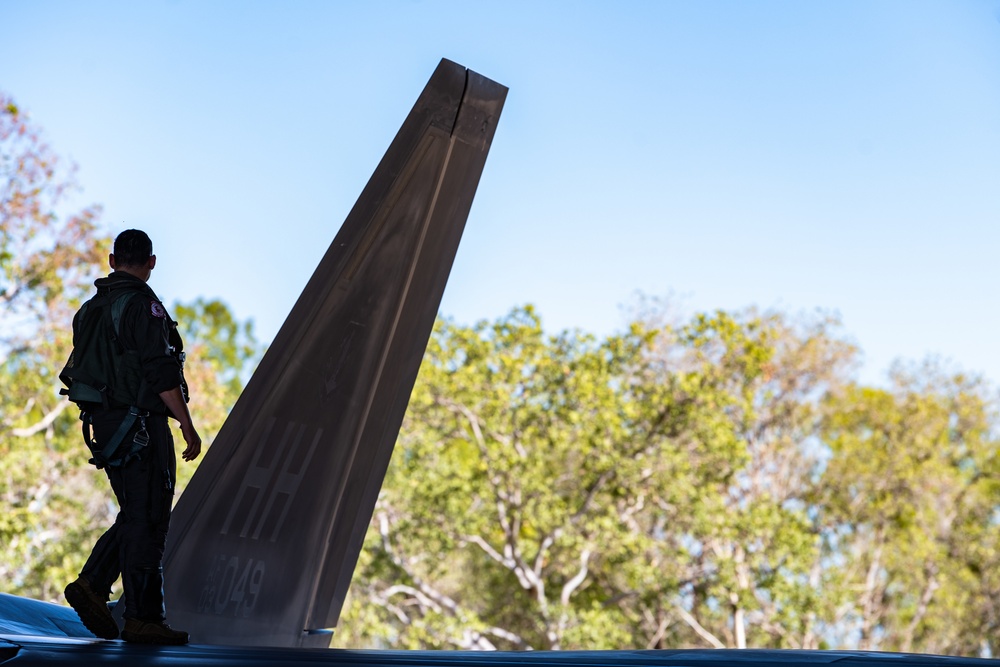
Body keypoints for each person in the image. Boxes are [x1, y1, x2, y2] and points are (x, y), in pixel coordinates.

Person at [60, 229, 201, 645]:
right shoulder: (143, 306)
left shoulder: (88, 310)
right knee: (150, 515)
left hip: (105, 427)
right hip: (140, 426)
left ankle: (98, 586)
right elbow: (160, 372)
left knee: (138, 511)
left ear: (111, 260)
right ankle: (138, 615)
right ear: (151, 262)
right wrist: (186, 423)